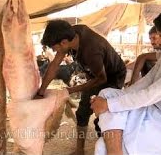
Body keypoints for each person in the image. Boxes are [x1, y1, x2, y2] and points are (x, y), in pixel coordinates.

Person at [91, 7, 161, 155]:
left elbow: (150, 94)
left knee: (101, 146)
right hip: (154, 112)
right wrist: (113, 100)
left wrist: (108, 105)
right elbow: (147, 82)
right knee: (107, 93)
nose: (158, 41)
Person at [36, 20, 126, 154]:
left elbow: (102, 78)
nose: (54, 51)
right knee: (82, 112)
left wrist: (71, 90)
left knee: (104, 115)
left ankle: (108, 149)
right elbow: (55, 64)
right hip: (94, 75)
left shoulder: (92, 50)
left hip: (112, 76)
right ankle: (80, 150)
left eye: (54, 48)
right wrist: (41, 91)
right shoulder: (71, 33)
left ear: (64, 43)